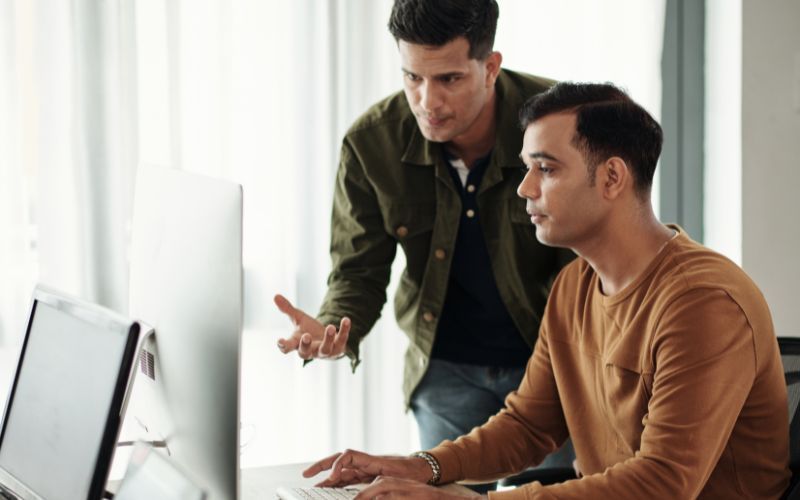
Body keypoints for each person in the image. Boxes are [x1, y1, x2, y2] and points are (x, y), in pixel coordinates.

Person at [299, 82, 792, 499]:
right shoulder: (574, 284)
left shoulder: (703, 303)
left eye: (547, 169)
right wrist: (420, 466)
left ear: (613, 177)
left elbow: (661, 484)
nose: (524, 188)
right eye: (526, 168)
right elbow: (529, 426)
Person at [273, 0, 574, 473]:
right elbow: (358, 271)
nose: (427, 102)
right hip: (445, 372)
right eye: (413, 77)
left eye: (449, 79)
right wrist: (332, 326)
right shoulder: (372, 143)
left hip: (555, 368)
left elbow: (594, 262)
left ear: (490, 66)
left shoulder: (559, 124)